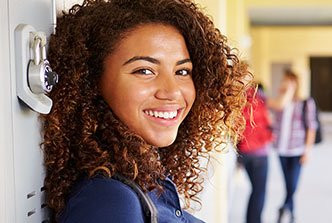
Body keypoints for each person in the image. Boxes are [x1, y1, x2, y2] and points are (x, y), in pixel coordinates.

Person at [41, 0, 249, 222]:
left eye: (182, 71)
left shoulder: (146, 176)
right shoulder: (110, 201)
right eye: (144, 70)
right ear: (90, 81)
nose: (172, 91)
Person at [269, 70, 317, 223]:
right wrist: (284, 93)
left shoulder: (306, 102)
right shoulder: (281, 100)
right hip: (281, 149)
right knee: (288, 184)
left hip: (297, 150)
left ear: (296, 83)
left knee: (293, 184)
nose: (285, 83)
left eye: (289, 81)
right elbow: (273, 111)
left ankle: (284, 207)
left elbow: (311, 127)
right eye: (284, 80)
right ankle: (291, 212)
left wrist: (307, 152)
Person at [237, 84, 273, 223]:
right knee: (259, 192)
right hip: (260, 154)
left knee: (254, 190)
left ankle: (251, 220)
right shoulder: (261, 101)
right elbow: (268, 122)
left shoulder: (240, 103)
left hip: (245, 153)